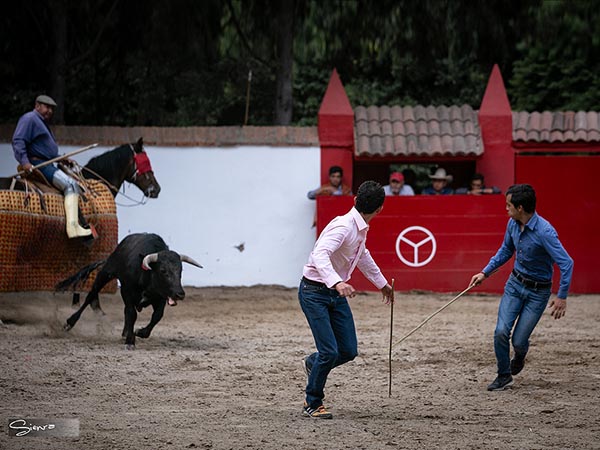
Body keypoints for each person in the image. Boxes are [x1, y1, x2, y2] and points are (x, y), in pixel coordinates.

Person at [298, 180, 394, 419]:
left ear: (355, 200)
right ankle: (312, 401)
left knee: (348, 350)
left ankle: (314, 362)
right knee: (330, 352)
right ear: (380, 208)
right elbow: (319, 253)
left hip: (331, 292)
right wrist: (337, 282)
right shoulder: (344, 226)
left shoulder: (356, 228)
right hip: (314, 292)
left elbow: (362, 256)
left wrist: (381, 283)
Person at [469, 184, 573, 391]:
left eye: (509, 205)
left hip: (538, 292)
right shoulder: (512, 224)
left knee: (518, 341)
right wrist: (485, 272)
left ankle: (520, 354)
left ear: (520, 208)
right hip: (515, 284)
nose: (506, 209)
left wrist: (561, 297)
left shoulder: (545, 232)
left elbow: (567, 263)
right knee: (500, 332)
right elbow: (506, 250)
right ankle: (503, 375)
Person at [12, 95, 93, 238]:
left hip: (48, 162)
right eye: (46, 107)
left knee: (72, 184)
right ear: (37, 105)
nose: (49, 111)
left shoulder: (41, 122)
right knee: (70, 185)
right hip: (39, 165)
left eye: (52, 108)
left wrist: (61, 159)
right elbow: (18, 141)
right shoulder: (30, 118)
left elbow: (45, 150)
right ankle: (73, 228)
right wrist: (25, 162)